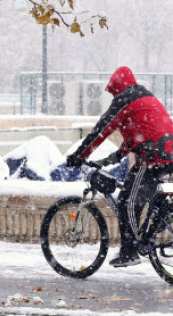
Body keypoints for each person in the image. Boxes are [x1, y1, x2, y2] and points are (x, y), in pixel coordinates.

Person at [66, 66, 173, 267]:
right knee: (141, 196)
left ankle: (129, 252)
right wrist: (113, 158)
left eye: (114, 90)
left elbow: (101, 131)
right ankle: (154, 228)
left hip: (152, 157)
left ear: (117, 87)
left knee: (127, 200)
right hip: (167, 153)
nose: (113, 95)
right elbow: (137, 133)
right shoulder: (143, 97)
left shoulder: (125, 99)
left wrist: (79, 156)